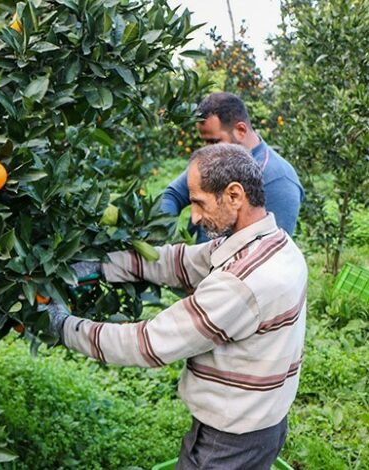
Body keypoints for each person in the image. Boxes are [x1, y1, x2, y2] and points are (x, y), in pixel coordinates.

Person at [47, 144, 307, 470]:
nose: (194, 216)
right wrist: (102, 265)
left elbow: (148, 344)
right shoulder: (275, 244)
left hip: (228, 442)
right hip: (264, 423)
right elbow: (179, 262)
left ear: (235, 195)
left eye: (198, 202)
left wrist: (64, 326)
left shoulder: (241, 283)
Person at [161, 92, 304, 242]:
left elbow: (271, 249)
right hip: (202, 261)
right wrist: (160, 236)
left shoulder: (279, 180)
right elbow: (173, 195)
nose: (207, 149)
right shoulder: (213, 160)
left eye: (214, 141)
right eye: (204, 141)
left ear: (241, 130)